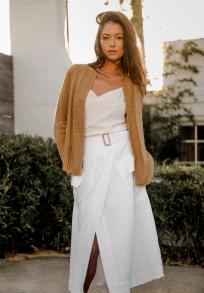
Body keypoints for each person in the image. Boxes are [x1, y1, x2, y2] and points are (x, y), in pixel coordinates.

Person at [54, 11, 165, 293]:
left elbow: (136, 130)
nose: (112, 43)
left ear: (127, 42)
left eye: (118, 38)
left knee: (116, 238)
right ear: (98, 41)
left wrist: (141, 163)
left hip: (120, 163)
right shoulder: (77, 74)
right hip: (88, 162)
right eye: (106, 37)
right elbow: (61, 123)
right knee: (89, 236)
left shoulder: (133, 82)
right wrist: (70, 161)